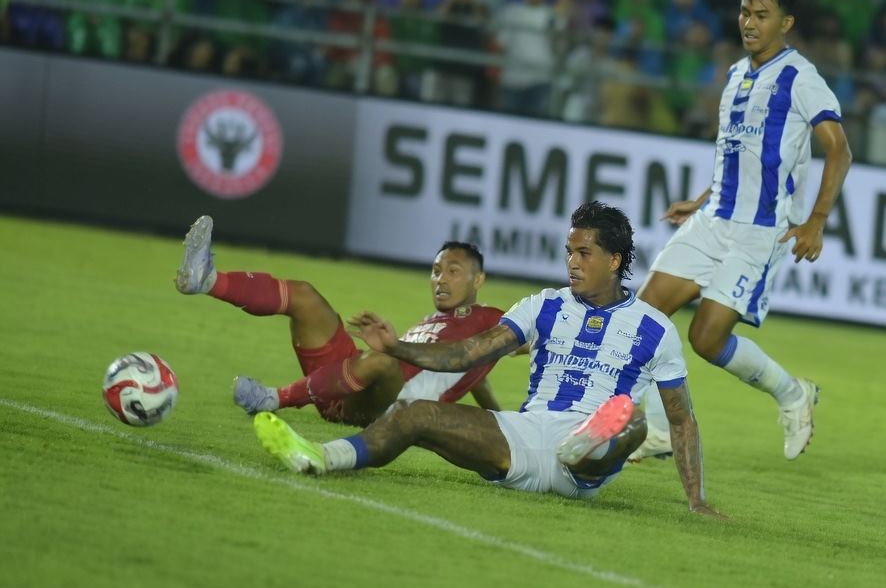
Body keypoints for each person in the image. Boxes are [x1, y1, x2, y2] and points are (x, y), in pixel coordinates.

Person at [252, 202, 721, 514]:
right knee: (413, 414)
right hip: (526, 436)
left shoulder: (654, 328)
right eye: (568, 252)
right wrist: (396, 348)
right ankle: (320, 457)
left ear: (615, 260)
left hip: (589, 464)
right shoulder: (543, 305)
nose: (572, 263)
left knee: (635, 423)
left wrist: (696, 500)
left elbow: (681, 420)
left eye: (584, 253)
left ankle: (587, 445)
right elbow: (466, 353)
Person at [634, 0, 853, 461]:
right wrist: (701, 197)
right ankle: (658, 430)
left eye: (762, 15)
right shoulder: (735, 74)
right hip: (712, 219)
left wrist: (816, 219)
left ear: (786, 23)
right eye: (744, 13)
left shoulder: (801, 78)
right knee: (639, 317)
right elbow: (738, 152)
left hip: (759, 232)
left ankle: (791, 393)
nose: (749, 23)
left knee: (706, 339)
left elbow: (839, 150)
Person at [174, 216, 503, 426]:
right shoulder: (437, 320)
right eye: (436, 271)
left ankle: (273, 398)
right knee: (304, 296)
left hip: (386, 410)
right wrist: (498, 418)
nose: (440, 280)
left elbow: (537, 339)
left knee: (385, 361)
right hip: (352, 381)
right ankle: (207, 280)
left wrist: (509, 426)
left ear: (478, 280)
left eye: (453, 272)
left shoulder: (496, 319)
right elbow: (475, 372)